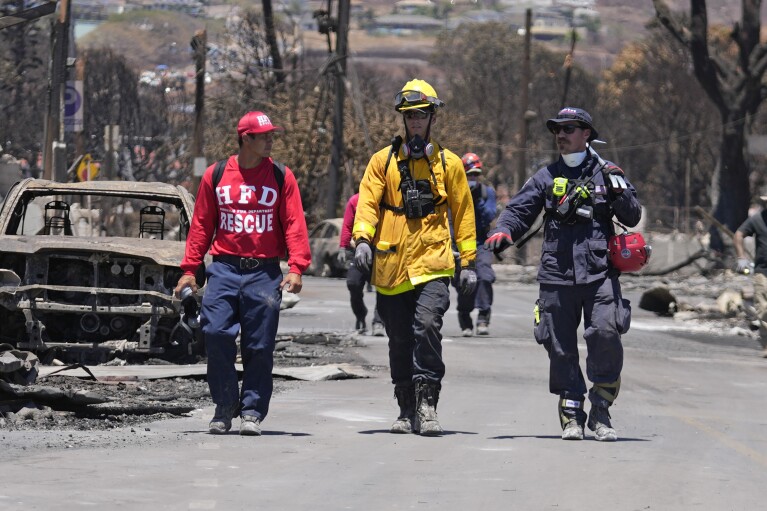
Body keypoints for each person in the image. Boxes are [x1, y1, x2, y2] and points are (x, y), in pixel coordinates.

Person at [485, 107, 641, 442]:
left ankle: (601, 408)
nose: (561, 134)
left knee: (604, 332)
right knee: (558, 345)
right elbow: (519, 209)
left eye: (569, 129)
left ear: (587, 134)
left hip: (600, 273)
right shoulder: (546, 175)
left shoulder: (607, 173)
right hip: (557, 274)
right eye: (557, 129)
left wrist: (619, 190)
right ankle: (571, 413)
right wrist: (504, 230)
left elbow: (632, 215)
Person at [353, 78, 477, 436]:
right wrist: (362, 239)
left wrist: (467, 263)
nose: (416, 122)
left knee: (426, 327)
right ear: (403, 120)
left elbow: (463, 214)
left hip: (433, 263)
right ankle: (406, 408)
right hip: (392, 267)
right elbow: (367, 203)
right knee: (399, 340)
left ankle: (428, 404)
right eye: (411, 116)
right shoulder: (382, 162)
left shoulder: (449, 164)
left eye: (422, 115)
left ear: (432, 118)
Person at [175, 111, 311, 436]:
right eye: (263, 135)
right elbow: (201, 227)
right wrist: (190, 270)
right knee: (216, 333)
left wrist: (297, 267)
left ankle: (251, 411)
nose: (270, 140)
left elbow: (294, 223)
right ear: (245, 138)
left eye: (271, 135)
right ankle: (224, 406)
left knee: (259, 346)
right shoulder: (216, 175)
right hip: (223, 269)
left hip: (263, 272)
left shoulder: (281, 176)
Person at [452, 152, 497, 336]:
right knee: (463, 281)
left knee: (484, 276)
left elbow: (489, 215)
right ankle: (465, 318)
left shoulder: (487, 193)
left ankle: (483, 317)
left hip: (480, 242)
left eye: (475, 175)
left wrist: (476, 200)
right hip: (459, 245)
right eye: (468, 174)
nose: (472, 178)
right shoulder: (452, 192)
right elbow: (446, 219)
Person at [338, 193, 385, 336]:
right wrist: (343, 247)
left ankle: (379, 322)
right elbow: (347, 224)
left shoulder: (387, 198)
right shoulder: (355, 201)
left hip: (381, 250)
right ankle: (360, 314)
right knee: (353, 283)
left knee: (383, 288)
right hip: (358, 249)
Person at [734, 191, 767, 358]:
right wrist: (742, 258)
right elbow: (739, 234)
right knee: (764, 309)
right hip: (763, 271)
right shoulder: (758, 219)